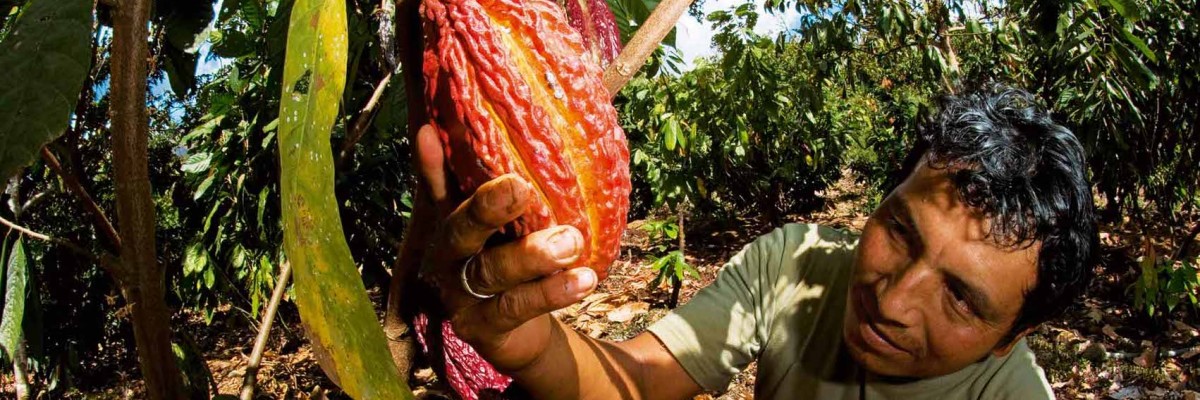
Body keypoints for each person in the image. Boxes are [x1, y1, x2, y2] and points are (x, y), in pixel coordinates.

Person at [408, 85, 1098, 399]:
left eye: (959, 297)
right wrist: (529, 345)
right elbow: (639, 381)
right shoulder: (796, 262)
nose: (894, 301)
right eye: (899, 232)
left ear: (1013, 334)